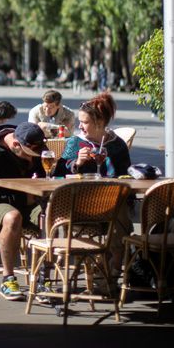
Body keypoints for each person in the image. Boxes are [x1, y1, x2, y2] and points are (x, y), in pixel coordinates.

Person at [54, 92, 131, 270]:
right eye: (80, 122)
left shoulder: (116, 144)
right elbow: (58, 173)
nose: (80, 126)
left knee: (120, 210)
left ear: (100, 123)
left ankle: (113, 263)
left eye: (85, 122)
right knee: (120, 214)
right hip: (80, 203)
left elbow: (125, 175)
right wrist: (77, 163)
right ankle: (110, 266)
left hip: (110, 203)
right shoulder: (76, 143)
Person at [0, 122, 46, 301]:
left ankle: (43, 277)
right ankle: (8, 279)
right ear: (15, 144)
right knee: (13, 217)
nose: (32, 160)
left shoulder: (31, 147)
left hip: (27, 203)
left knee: (50, 215)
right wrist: (23, 199)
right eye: (28, 155)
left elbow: (44, 175)